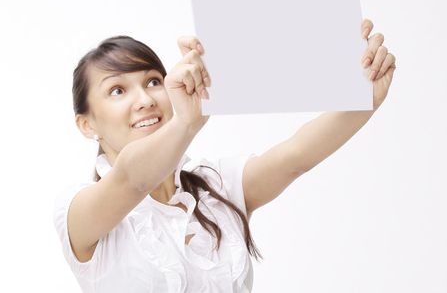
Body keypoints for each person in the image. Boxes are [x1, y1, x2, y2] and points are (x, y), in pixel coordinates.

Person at [53, 19, 396, 292]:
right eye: (117, 90)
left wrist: (365, 97)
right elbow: (131, 178)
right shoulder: (79, 213)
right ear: (86, 125)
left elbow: (295, 157)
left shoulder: (215, 186)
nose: (144, 99)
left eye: (154, 81)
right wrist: (187, 124)